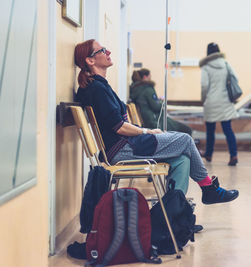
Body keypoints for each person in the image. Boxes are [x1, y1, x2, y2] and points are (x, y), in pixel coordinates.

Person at [74, 39, 239, 205]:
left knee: (182, 159)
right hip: (122, 150)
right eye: (102, 50)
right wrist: (147, 131)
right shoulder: (97, 88)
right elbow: (119, 127)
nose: (108, 52)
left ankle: (173, 215)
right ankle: (209, 189)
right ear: (90, 60)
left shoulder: (99, 86)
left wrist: (145, 131)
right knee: (186, 139)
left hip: (126, 145)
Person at [199, 42, 239, 166]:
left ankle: (209, 154)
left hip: (211, 101)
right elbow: (235, 78)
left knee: (210, 130)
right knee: (228, 129)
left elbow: (204, 85)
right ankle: (233, 155)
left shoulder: (206, 67)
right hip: (225, 101)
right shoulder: (226, 64)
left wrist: (203, 99)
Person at [129, 68, 192, 135]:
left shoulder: (136, 90)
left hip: (149, 120)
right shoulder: (148, 89)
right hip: (156, 122)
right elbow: (156, 107)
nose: (151, 78)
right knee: (187, 130)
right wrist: (162, 102)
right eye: (150, 77)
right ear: (145, 77)